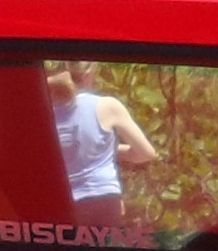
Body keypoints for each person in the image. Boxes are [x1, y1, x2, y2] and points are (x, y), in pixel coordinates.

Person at [44, 60, 158, 231]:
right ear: (91, 72)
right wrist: (112, 151)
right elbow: (145, 153)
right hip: (104, 201)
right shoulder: (107, 106)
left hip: (65, 203)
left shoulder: (43, 112)